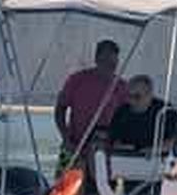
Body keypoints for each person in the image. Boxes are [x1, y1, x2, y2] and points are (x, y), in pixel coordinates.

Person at [54, 39, 129, 173]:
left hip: (105, 149)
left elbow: (127, 117)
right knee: (64, 181)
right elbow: (60, 109)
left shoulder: (121, 86)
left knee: (100, 183)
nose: (109, 65)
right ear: (96, 59)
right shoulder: (77, 80)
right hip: (74, 144)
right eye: (105, 60)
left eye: (113, 62)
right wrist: (66, 138)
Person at [109, 74, 177, 195]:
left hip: (157, 167)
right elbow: (113, 140)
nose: (132, 101)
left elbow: (176, 141)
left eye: (137, 97)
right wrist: (120, 147)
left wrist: (155, 149)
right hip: (127, 165)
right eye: (129, 96)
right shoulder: (122, 111)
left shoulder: (165, 111)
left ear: (149, 95)